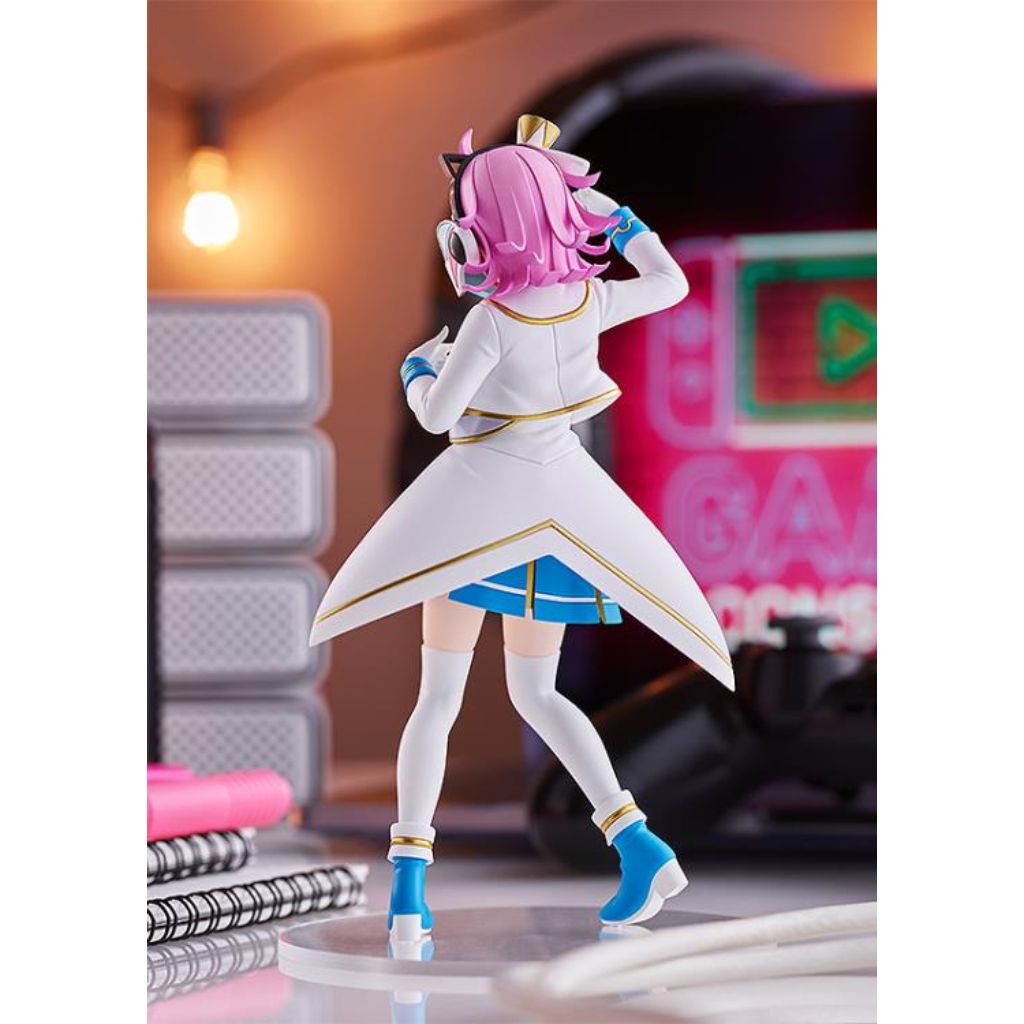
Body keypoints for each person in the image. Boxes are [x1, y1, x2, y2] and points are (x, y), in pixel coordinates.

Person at [311, 115, 734, 941]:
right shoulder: (586, 300)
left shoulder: (493, 321)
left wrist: (417, 368)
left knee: (439, 697)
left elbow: (438, 416)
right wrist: (617, 219)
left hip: (477, 523)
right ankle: (639, 844)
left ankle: (408, 890)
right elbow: (670, 282)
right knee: (537, 693)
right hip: (559, 522)